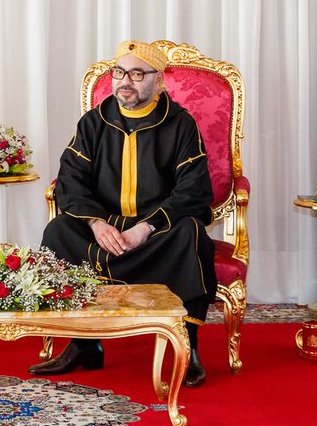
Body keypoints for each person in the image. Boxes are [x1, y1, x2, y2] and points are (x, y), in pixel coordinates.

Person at [31, 41, 215, 386]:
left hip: (155, 231)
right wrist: (95, 222)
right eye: (118, 73)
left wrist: (146, 228)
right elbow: (70, 179)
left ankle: (188, 345)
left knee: (189, 233)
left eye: (136, 74)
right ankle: (83, 343)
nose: (124, 82)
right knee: (58, 232)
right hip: (105, 229)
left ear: (158, 81)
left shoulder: (180, 125)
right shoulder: (94, 122)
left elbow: (192, 191)